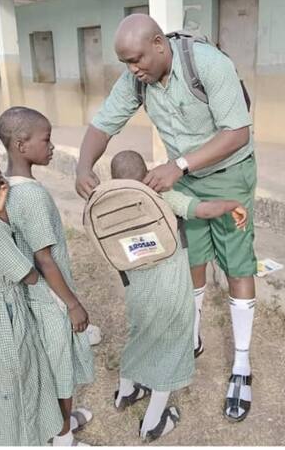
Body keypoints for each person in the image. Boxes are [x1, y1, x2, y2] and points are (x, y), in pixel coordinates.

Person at [76, 13, 258, 422]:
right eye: (125, 62)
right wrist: (83, 165)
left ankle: (242, 365)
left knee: (237, 264)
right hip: (186, 179)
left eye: (137, 59)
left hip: (229, 173)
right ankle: (188, 336)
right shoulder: (137, 79)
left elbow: (237, 133)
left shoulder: (209, 65)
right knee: (189, 258)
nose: (132, 69)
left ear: (160, 44)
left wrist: (179, 164)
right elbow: (103, 125)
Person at [105, 150, 248, 440]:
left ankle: (127, 392)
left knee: (138, 338)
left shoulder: (110, 206)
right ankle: (152, 423)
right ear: (146, 174)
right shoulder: (161, 198)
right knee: (170, 353)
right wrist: (233, 203)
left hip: (137, 293)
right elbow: (205, 210)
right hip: (170, 293)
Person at [0, 106, 95, 447]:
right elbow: (45, 259)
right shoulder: (32, 196)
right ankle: (62, 437)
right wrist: (72, 305)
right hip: (50, 300)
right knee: (60, 371)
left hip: (38, 298)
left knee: (52, 367)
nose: (52, 146)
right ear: (21, 145)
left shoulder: (8, 187)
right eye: (47, 140)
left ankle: (61, 424)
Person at [0, 168, 63, 446]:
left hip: (9, 308)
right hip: (7, 315)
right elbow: (29, 273)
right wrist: (61, 299)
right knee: (19, 388)